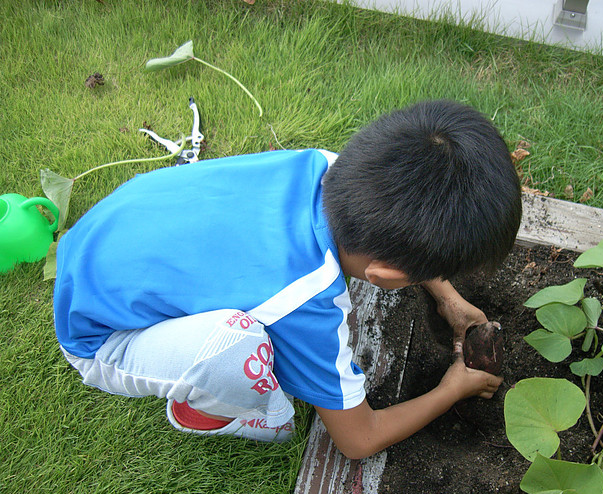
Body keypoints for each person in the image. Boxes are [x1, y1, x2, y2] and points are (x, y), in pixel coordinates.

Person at [53, 99, 522, 459]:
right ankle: (207, 412)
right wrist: (451, 389)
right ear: (383, 278)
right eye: (438, 272)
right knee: (241, 350)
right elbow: (359, 440)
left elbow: (395, 227)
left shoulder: (325, 166)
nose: (442, 279)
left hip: (107, 234)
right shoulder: (307, 302)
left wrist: (447, 297)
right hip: (101, 337)